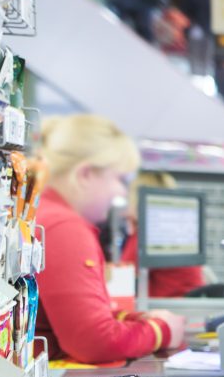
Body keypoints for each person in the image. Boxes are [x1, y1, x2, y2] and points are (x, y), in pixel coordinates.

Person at [35, 115, 186, 363]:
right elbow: (94, 341)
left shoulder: (46, 214)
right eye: (118, 179)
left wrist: (136, 320)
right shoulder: (64, 228)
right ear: (85, 174)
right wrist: (163, 331)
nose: (121, 192)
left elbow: (77, 318)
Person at [120, 171, 207, 298]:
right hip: (187, 309)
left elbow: (122, 279)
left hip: (165, 311)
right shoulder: (179, 232)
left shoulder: (147, 236)